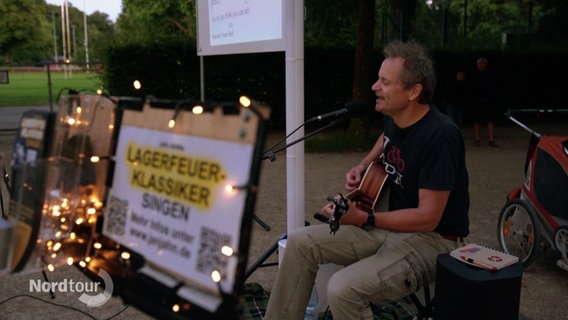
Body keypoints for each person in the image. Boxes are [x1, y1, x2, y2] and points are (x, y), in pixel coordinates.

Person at [264, 40, 470, 320]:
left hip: (432, 240)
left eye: (384, 82)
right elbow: (386, 139)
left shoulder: (440, 136)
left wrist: (364, 218)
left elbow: (428, 217)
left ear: (413, 91)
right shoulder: (394, 117)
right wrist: (363, 166)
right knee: (300, 242)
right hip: (388, 224)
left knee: (342, 288)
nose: (374, 87)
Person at [470, 57, 498, 147]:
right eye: (479, 64)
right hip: (477, 101)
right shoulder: (474, 76)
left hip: (488, 101)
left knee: (490, 120)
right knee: (476, 121)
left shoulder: (490, 75)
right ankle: (477, 139)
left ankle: (491, 139)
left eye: (483, 63)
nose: (481, 65)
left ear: (486, 65)